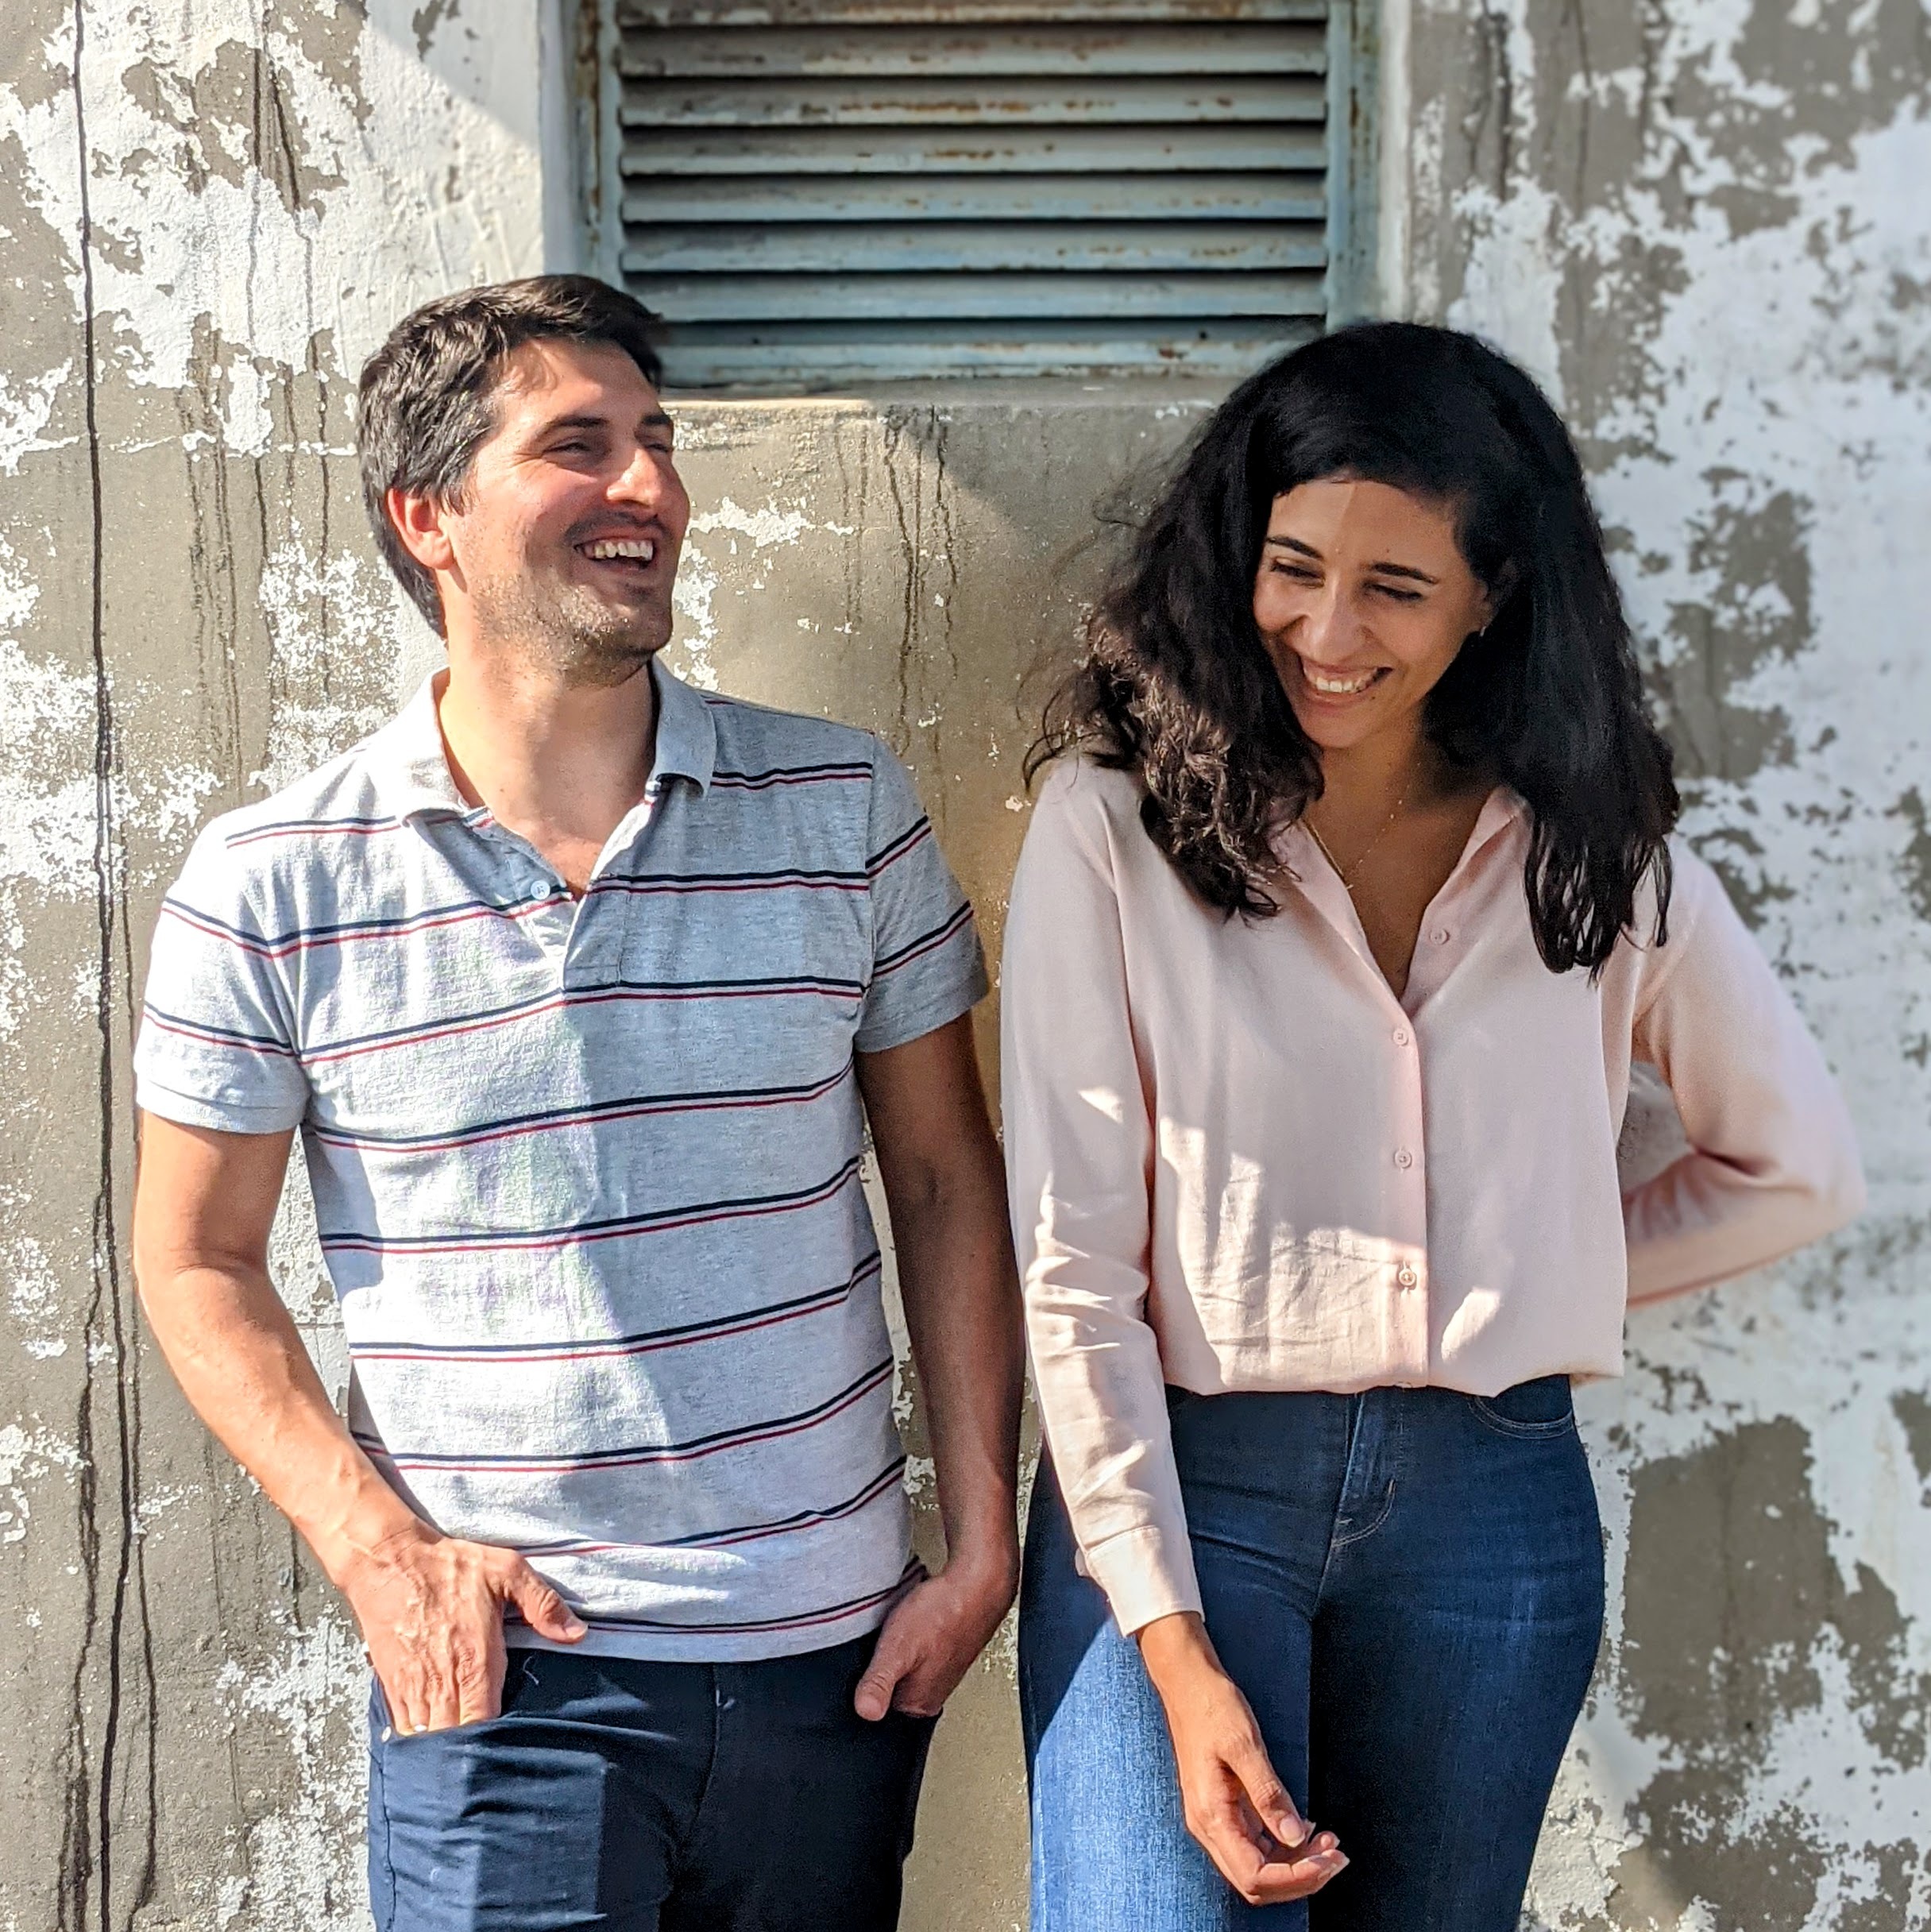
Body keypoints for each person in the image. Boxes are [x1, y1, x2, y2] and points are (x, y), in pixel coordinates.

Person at [130, 274, 1023, 1932]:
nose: (651, 489)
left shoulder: (845, 805)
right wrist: (378, 1554)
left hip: (834, 1673)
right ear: (430, 517)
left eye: (659, 442)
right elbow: (194, 1260)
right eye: (581, 446)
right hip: (510, 1692)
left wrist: (979, 1545)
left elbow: (946, 1177)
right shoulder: (271, 879)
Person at [1001, 321, 1864, 1930]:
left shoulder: (1598, 859)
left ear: (1494, 596)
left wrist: (1532, 1270)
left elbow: (1791, 1164)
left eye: (1393, 587)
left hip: (1490, 1506)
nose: (1325, 631)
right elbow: (1071, 1267)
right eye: (1293, 565)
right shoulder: (1110, 833)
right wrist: (1175, 1656)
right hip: (1190, 1488)